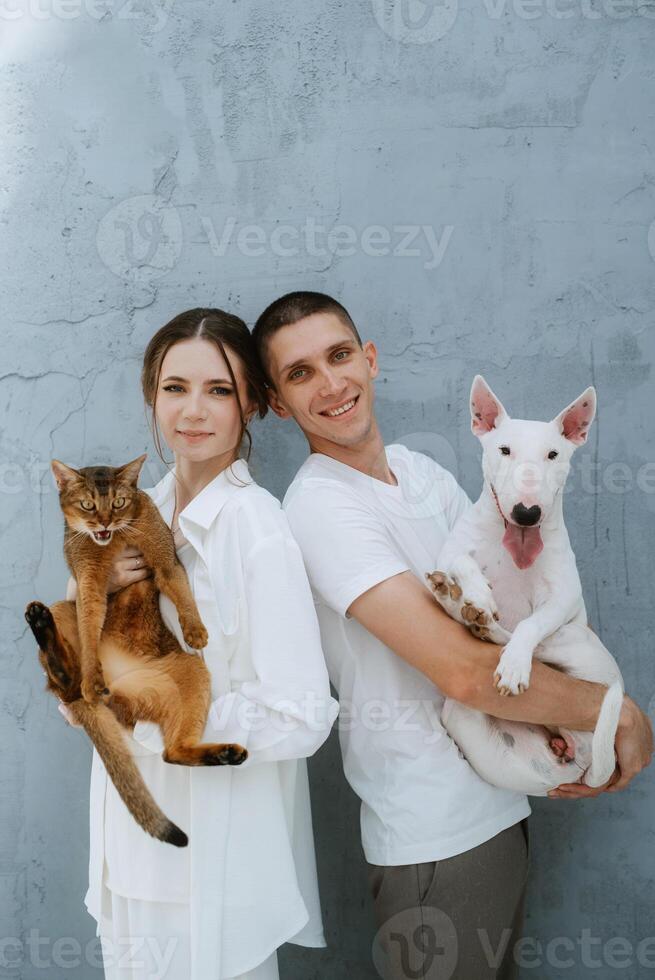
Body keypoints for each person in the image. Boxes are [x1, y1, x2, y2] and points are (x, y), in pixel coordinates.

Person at [251, 290, 653, 980]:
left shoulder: (422, 472)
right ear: (278, 402)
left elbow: (502, 609)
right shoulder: (320, 507)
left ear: (369, 359)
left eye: (340, 356)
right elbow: (466, 674)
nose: (330, 384)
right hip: (432, 836)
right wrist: (615, 714)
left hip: (498, 799)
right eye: (300, 373)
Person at [59, 307, 339, 980]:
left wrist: (153, 713)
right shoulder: (133, 515)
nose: (192, 410)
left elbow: (301, 715)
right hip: (129, 851)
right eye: (174, 387)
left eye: (217, 390)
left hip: (212, 866)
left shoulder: (255, 530)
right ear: (150, 395)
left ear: (250, 404)